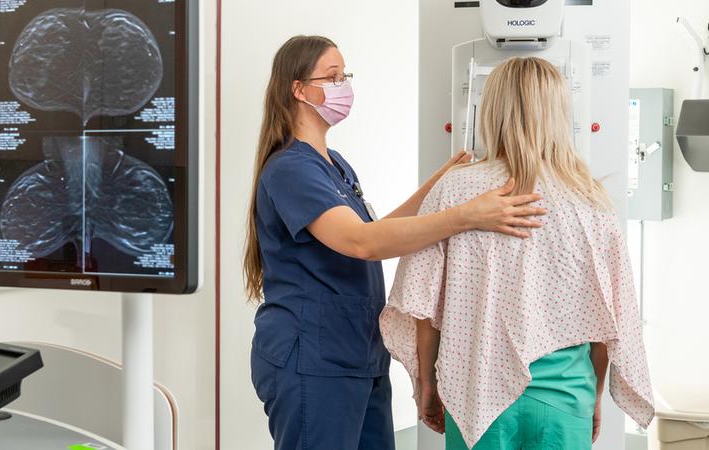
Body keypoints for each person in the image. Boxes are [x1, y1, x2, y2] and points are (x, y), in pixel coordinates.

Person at [243, 36, 548, 450]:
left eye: (344, 76)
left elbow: (379, 228)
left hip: (357, 353)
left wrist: (441, 185)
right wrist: (466, 216)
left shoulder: (333, 164)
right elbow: (361, 243)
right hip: (312, 359)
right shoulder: (291, 169)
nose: (343, 87)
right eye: (332, 78)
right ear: (298, 89)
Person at [380, 57, 655, 450]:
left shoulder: (454, 191)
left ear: (491, 111)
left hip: (475, 395)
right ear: (559, 113)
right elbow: (608, 317)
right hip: (564, 398)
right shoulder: (590, 201)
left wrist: (427, 383)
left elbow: (424, 306)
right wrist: (592, 396)